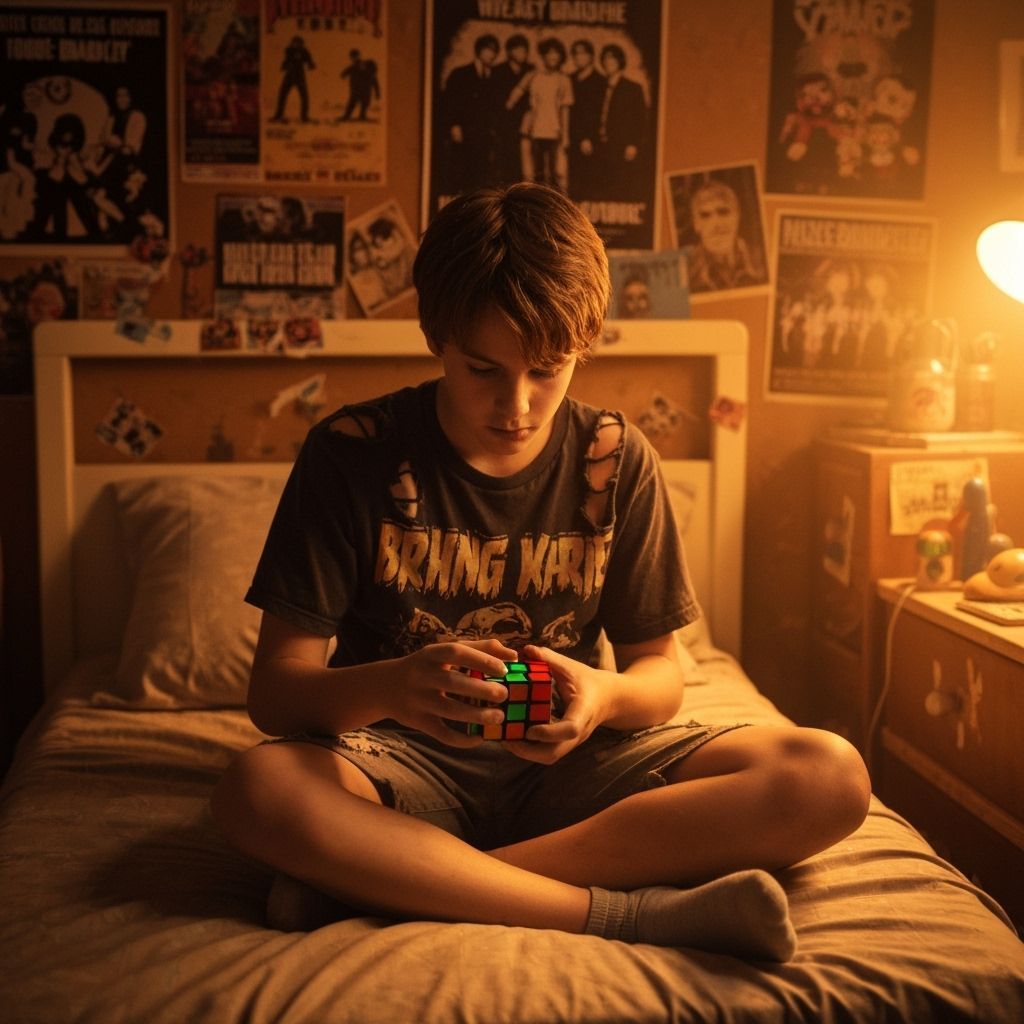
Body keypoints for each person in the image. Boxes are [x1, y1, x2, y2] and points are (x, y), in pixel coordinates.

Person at [211, 182, 870, 958]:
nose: (516, 405)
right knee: (258, 792)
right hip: (396, 764)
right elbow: (276, 692)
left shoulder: (618, 459)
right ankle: (627, 915)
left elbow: (660, 673)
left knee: (829, 775)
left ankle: (414, 885)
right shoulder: (349, 453)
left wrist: (601, 697)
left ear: (582, 346)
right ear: (437, 337)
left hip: (571, 771)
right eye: (482, 368)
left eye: (547, 371)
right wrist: (394, 685)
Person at [686, 180, 765, 294]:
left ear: (737, 216)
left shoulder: (762, 261)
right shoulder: (683, 272)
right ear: (696, 224)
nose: (716, 224)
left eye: (723, 212)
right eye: (705, 215)